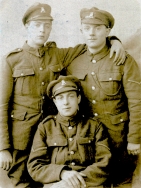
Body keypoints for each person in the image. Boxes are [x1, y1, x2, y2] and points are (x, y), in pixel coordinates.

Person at [0, 2, 125, 188]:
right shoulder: (12, 60)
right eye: (37, 25)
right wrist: (3, 148)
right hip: (22, 141)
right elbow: (1, 106)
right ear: (27, 26)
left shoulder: (58, 54)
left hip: (55, 138)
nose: (42, 30)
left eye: (47, 25)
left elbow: (91, 44)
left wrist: (115, 40)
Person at [66, 7, 141, 187]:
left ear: (107, 31)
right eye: (87, 28)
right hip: (86, 142)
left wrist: (134, 140)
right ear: (81, 30)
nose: (91, 33)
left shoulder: (123, 59)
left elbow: (137, 102)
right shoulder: (73, 60)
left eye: (98, 28)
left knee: (122, 182)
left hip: (118, 141)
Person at [27, 75, 111, 188]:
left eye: (71, 96)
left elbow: (104, 163)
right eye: (60, 98)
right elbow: (35, 166)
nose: (66, 102)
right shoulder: (46, 127)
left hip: (89, 184)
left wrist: (73, 183)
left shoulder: (94, 126)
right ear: (55, 102)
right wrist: (62, 173)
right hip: (56, 184)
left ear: (78, 98)